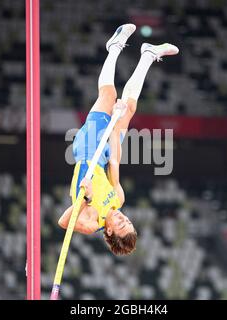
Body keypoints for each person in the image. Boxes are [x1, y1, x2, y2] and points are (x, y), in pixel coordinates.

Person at [58, 23, 179, 255]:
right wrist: (116, 123)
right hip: (104, 157)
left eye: (121, 224)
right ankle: (148, 55)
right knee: (129, 107)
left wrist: (85, 199)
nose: (124, 218)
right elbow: (115, 163)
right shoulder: (119, 199)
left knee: (108, 94)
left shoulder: (93, 222)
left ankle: (113, 47)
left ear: (110, 232)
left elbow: (64, 222)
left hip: (87, 151)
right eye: (129, 221)